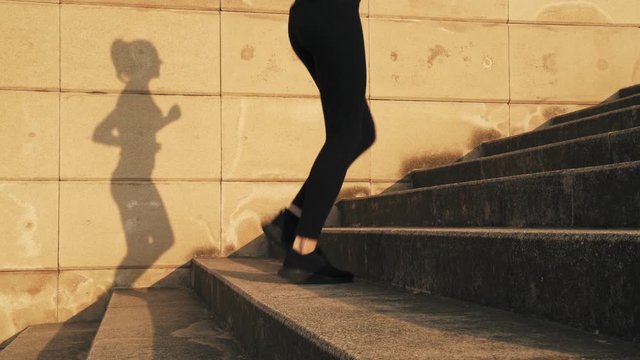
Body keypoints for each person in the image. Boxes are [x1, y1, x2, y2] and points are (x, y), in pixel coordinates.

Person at [261, 0, 376, 284]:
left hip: (304, 17)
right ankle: (303, 250)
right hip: (333, 14)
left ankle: (293, 220)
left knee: (360, 132)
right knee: (345, 134)